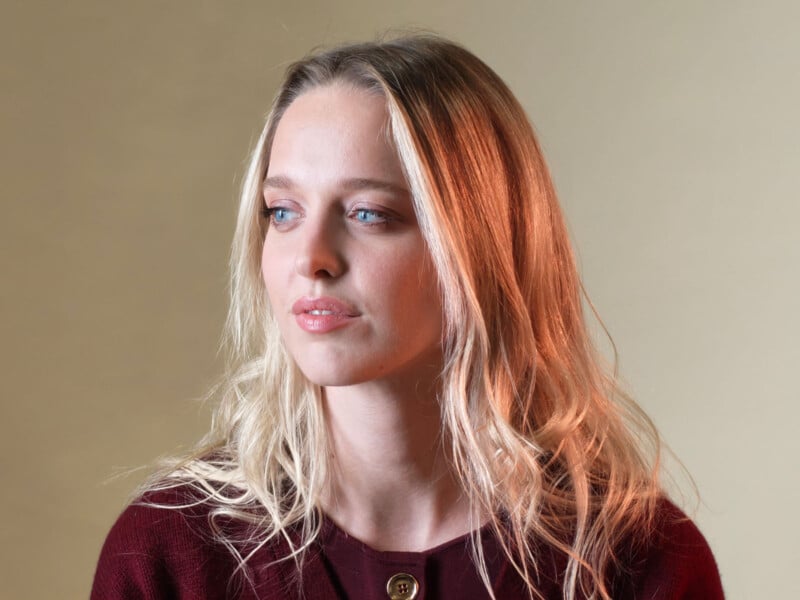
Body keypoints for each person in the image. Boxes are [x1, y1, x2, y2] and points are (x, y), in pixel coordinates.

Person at [91, 34, 724, 600]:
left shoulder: (639, 564)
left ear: (482, 245)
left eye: (369, 214)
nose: (310, 258)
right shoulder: (169, 554)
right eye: (282, 212)